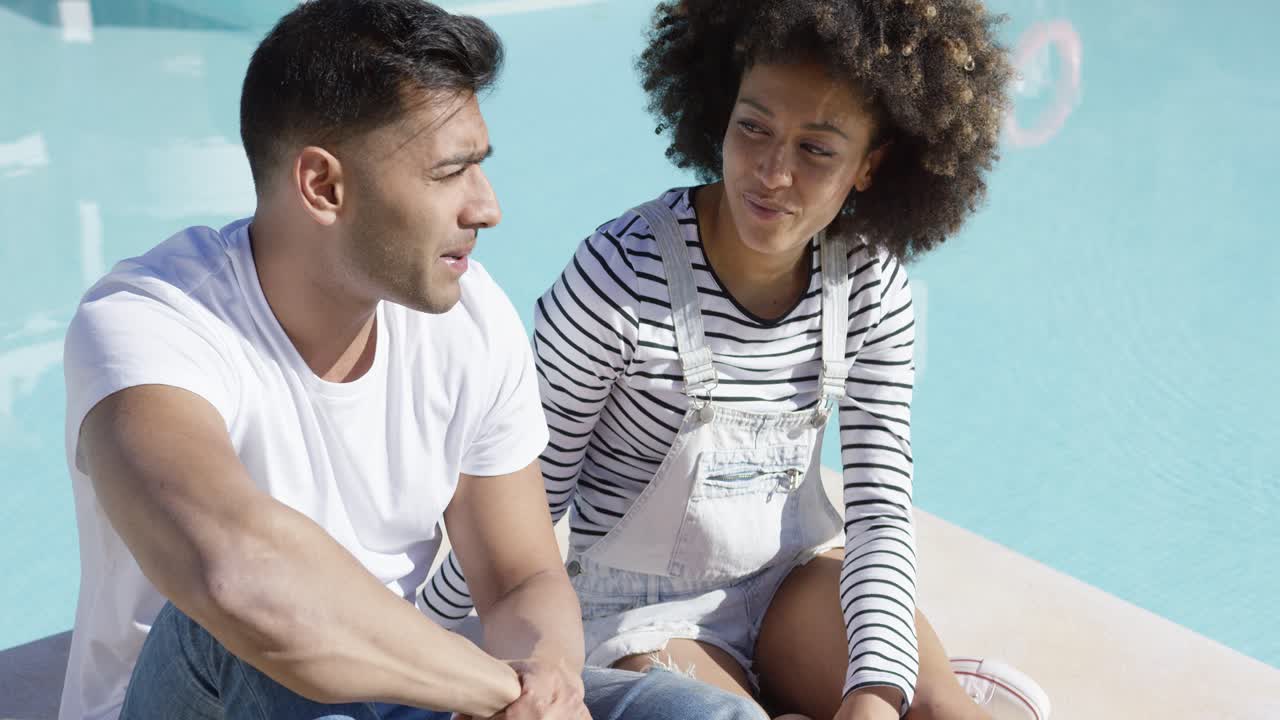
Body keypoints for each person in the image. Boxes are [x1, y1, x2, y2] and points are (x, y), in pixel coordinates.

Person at [57, 2, 768, 719]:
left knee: (710, 715)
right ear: (324, 187)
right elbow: (239, 575)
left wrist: (544, 688)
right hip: (203, 696)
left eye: (479, 169)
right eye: (450, 173)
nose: (486, 207)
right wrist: (491, 691)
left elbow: (520, 576)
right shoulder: (149, 324)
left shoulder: (469, 316)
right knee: (223, 626)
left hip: (406, 695)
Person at [421, 2, 1051, 719]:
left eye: (817, 150)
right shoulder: (619, 273)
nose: (773, 173)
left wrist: (877, 694)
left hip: (788, 585)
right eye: (754, 128)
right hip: (635, 616)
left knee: (940, 714)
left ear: (870, 165)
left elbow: (879, 515)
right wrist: (429, 634)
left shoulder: (872, 288)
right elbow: (526, 506)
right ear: (721, 113)